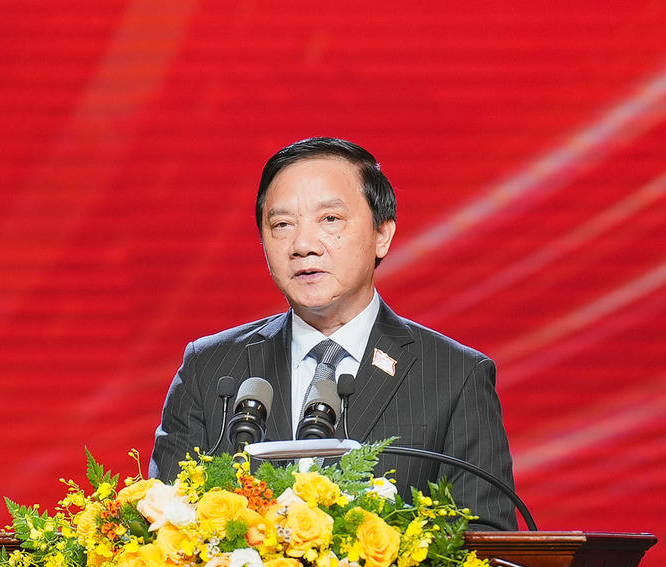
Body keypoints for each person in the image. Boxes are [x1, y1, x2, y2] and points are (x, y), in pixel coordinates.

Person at [149, 137, 518, 530]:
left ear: (382, 235)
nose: (303, 245)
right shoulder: (209, 369)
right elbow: (162, 529)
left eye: (330, 219)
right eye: (282, 225)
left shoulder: (455, 376)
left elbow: (487, 540)